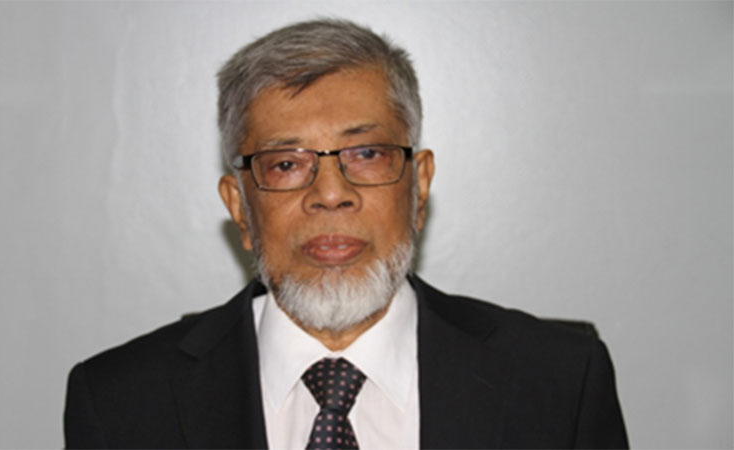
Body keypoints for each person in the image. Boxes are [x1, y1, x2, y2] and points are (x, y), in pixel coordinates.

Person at [64, 18, 628, 449]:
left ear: (419, 186)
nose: (330, 193)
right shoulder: (119, 403)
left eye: (367, 154)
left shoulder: (560, 382)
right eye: (287, 164)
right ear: (240, 207)